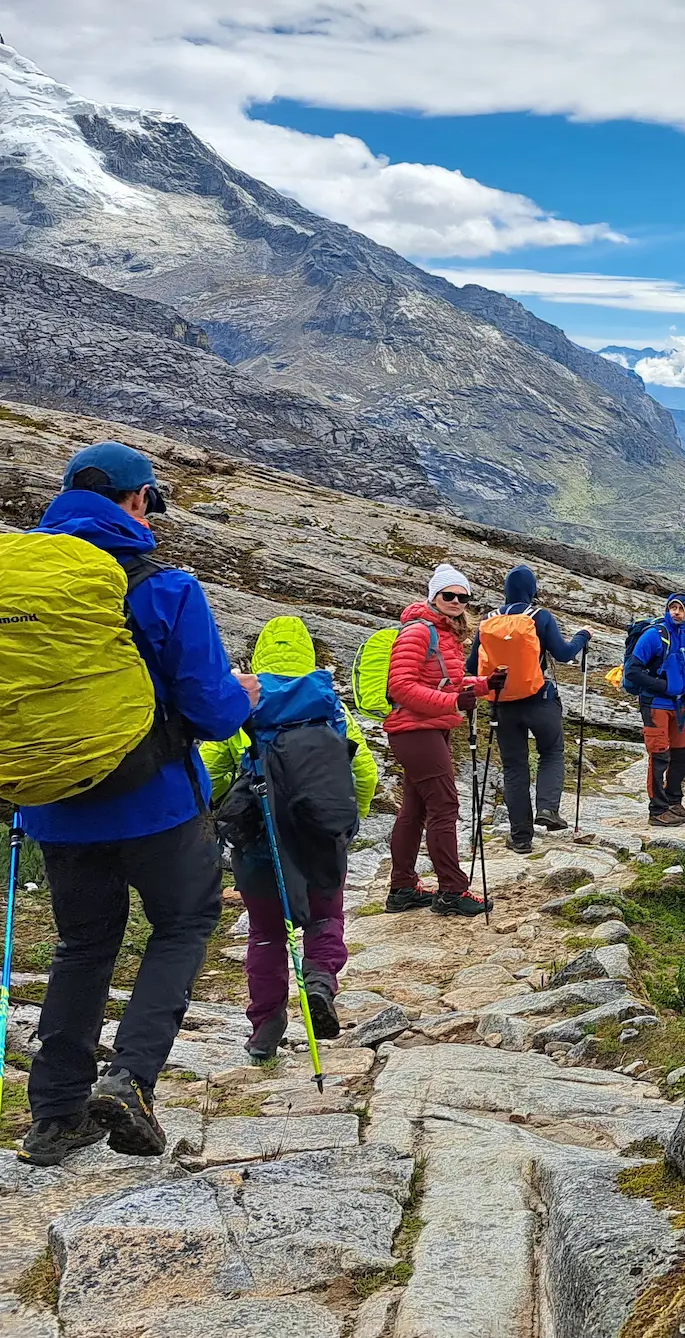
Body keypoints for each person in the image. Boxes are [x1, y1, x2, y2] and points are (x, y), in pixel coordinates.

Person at [16, 442, 257, 1166]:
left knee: (82, 945)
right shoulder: (164, 586)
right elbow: (212, 714)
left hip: (56, 803)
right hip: (155, 804)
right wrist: (245, 695)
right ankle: (131, 1078)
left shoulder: (22, 585)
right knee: (184, 923)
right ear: (139, 500)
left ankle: (54, 1117)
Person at [201, 616, 378, 1062]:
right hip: (320, 839)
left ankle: (266, 1027)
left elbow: (210, 772)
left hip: (260, 844)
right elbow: (364, 772)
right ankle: (319, 981)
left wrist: (226, 805)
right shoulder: (328, 706)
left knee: (265, 933)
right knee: (324, 919)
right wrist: (346, 822)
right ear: (309, 656)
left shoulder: (243, 704)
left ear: (258, 654)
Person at [383, 564, 500, 917]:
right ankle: (452, 890)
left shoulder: (445, 634)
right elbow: (399, 686)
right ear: (433, 596)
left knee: (416, 809)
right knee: (445, 806)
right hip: (415, 729)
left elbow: (447, 681)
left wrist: (482, 685)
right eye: (448, 595)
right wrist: (452, 701)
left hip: (427, 729)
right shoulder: (418, 633)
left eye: (463, 597)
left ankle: (402, 889)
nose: (456, 601)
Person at [468, 564, 591, 853]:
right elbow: (563, 654)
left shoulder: (488, 621)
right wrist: (582, 637)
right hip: (539, 699)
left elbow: (472, 667)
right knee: (551, 751)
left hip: (503, 704)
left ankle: (521, 837)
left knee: (514, 767)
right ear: (532, 590)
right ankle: (547, 809)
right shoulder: (539, 616)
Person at [626, 593, 685, 827]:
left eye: (680, 609)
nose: (676, 612)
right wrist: (664, 686)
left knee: (681, 755)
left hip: (679, 705)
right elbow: (633, 671)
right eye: (672, 608)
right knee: (659, 757)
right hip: (655, 704)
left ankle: (673, 801)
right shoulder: (653, 636)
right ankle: (657, 810)